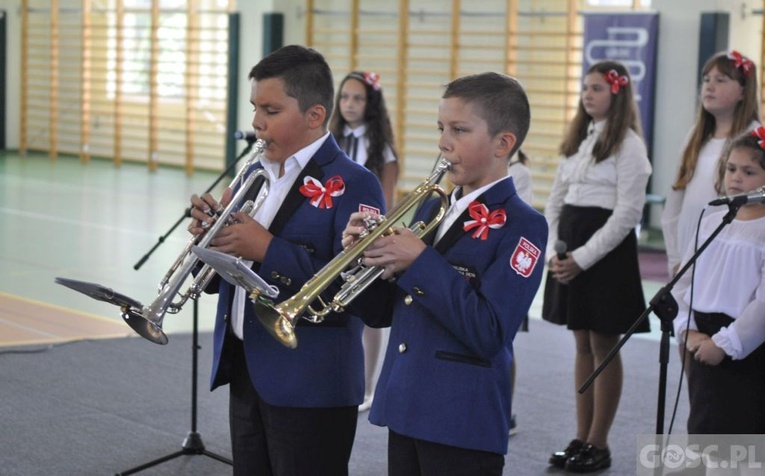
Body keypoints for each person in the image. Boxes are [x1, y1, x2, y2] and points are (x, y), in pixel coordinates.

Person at [187, 45, 385, 476]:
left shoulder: (355, 183)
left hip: (311, 382)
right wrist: (213, 240)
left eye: (271, 110)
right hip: (247, 368)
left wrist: (265, 248)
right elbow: (233, 273)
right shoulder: (251, 174)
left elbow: (356, 293)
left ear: (315, 115)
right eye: (256, 107)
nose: (257, 122)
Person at [343, 71, 548, 475]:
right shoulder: (428, 208)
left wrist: (419, 261)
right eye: (441, 128)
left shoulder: (524, 225)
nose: (443, 143)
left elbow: (489, 331)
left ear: (502, 143)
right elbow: (387, 311)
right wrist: (361, 259)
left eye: (459, 129)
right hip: (405, 404)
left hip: (461, 419)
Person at [542, 61, 652, 473]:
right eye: (584, 88)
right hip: (570, 250)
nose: (588, 95)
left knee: (604, 343)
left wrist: (583, 258)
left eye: (597, 89)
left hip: (604, 256)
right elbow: (555, 200)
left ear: (617, 94)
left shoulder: (629, 145)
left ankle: (598, 441)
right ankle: (580, 435)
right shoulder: (579, 139)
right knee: (582, 343)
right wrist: (557, 248)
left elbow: (627, 213)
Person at [672, 128, 765, 438]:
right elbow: (685, 282)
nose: (736, 178)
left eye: (749, 172)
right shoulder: (713, 221)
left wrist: (725, 344)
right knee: (703, 423)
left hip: (745, 347)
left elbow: (762, 305)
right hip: (702, 338)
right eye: (731, 169)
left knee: (739, 430)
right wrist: (688, 329)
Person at [330, 70, 400, 412]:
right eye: (344, 97)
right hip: (332, 237)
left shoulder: (381, 148)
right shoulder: (331, 140)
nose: (349, 104)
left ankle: (368, 385)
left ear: (370, 103)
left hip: (365, 239)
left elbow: (384, 201)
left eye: (357, 98)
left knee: (368, 316)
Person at [661, 50, 760, 277]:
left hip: (726, 253)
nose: (709, 86)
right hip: (686, 250)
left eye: (720, 80)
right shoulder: (695, 137)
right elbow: (674, 202)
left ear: (743, 91)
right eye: (706, 80)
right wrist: (675, 258)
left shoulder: (752, 137)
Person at [506, 149, 533, 436]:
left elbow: (521, 215)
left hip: (504, 261)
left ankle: (505, 409)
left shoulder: (520, 173)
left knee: (504, 345)